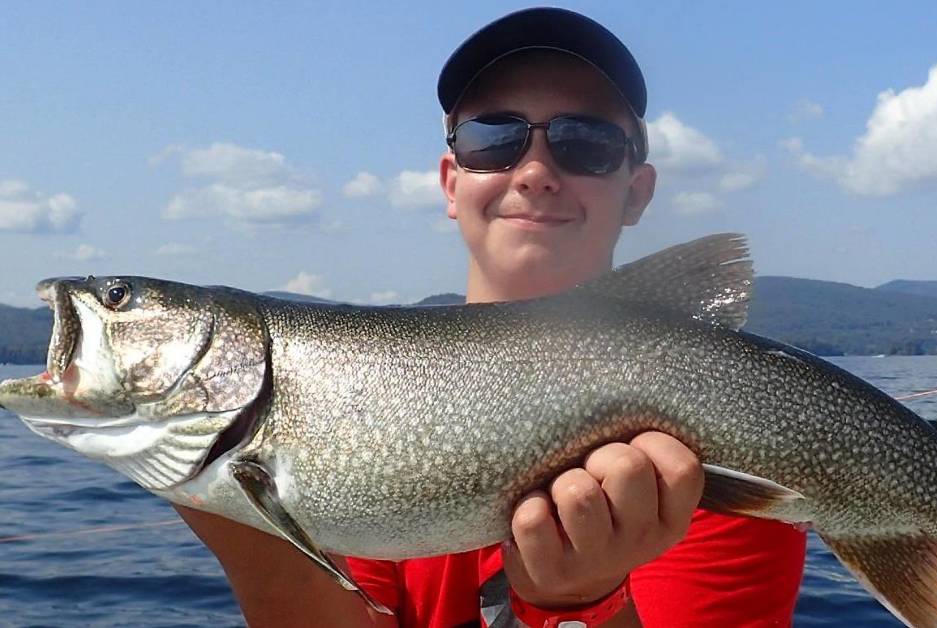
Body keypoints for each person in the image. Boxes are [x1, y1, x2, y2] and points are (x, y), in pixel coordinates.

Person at [178, 8, 807, 627]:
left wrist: (581, 606)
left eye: (585, 143)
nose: (535, 172)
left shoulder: (726, 444)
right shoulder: (365, 406)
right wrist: (235, 509)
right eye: (494, 138)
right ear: (453, 183)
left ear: (637, 191)